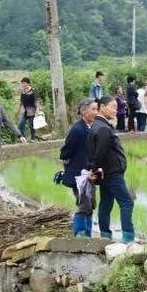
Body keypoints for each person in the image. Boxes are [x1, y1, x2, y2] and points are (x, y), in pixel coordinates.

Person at [88, 96, 135, 244]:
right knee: (127, 202)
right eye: (113, 107)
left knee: (106, 203)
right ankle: (128, 237)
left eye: (116, 107)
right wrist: (94, 168)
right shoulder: (102, 128)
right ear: (102, 107)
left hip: (105, 172)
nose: (116, 110)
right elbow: (100, 152)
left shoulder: (98, 125)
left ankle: (105, 235)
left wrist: (94, 169)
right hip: (112, 172)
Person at [60, 98, 99, 237]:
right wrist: (66, 167)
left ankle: (88, 234)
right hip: (79, 175)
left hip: (90, 174)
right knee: (84, 205)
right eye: (93, 109)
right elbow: (65, 151)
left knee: (91, 205)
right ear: (84, 111)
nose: (96, 112)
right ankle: (79, 235)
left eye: (97, 109)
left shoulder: (91, 128)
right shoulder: (77, 129)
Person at [18, 77, 38, 141]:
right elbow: (21, 101)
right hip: (24, 110)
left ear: (28, 83)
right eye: (22, 83)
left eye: (24, 83)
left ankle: (33, 138)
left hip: (32, 110)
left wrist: (37, 110)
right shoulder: (22, 91)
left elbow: (36, 102)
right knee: (21, 123)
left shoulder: (32, 91)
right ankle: (22, 137)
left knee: (31, 124)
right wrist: (18, 109)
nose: (23, 84)